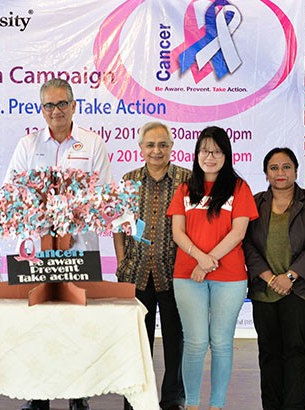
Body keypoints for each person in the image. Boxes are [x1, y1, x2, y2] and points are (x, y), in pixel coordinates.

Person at [5, 78, 112, 410]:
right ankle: (38, 396)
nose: (56, 111)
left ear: (74, 106)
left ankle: (79, 395)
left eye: (62, 104)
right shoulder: (27, 145)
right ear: (41, 110)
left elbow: (104, 196)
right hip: (38, 251)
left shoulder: (93, 144)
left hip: (79, 249)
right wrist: (40, 210)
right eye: (49, 105)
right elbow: (12, 191)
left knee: (78, 321)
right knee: (38, 321)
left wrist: (72, 212)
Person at [166, 126, 257, 410]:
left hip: (229, 277)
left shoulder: (239, 188)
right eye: (205, 150)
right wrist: (199, 258)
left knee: (221, 343)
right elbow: (177, 232)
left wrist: (207, 263)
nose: (210, 156)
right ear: (196, 154)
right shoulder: (184, 188)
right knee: (194, 342)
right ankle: (192, 404)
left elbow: (238, 233)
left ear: (226, 155)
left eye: (217, 151)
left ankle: (216, 405)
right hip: (187, 275)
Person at [242, 147, 305, 410]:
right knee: (268, 354)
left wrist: (290, 276)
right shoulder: (255, 204)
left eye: (286, 167)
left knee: (297, 353)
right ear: (266, 173)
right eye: (274, 168)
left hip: (300, 290)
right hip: (264, 291)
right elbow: (247, 245)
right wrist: (271, 279)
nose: (280, 173)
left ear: (295, 169)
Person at [114, 122, 189, 410]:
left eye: (162, 145)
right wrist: (122, 263)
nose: (156, 151)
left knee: (175, 342)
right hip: (136, 274)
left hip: (174, 274)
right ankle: (135, 400)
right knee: (137, 344)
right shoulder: (128, 180)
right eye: (150, 145)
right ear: (141, 148)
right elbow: (118, 226)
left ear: (171, 147)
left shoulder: (187, 180)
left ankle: (172, 399)